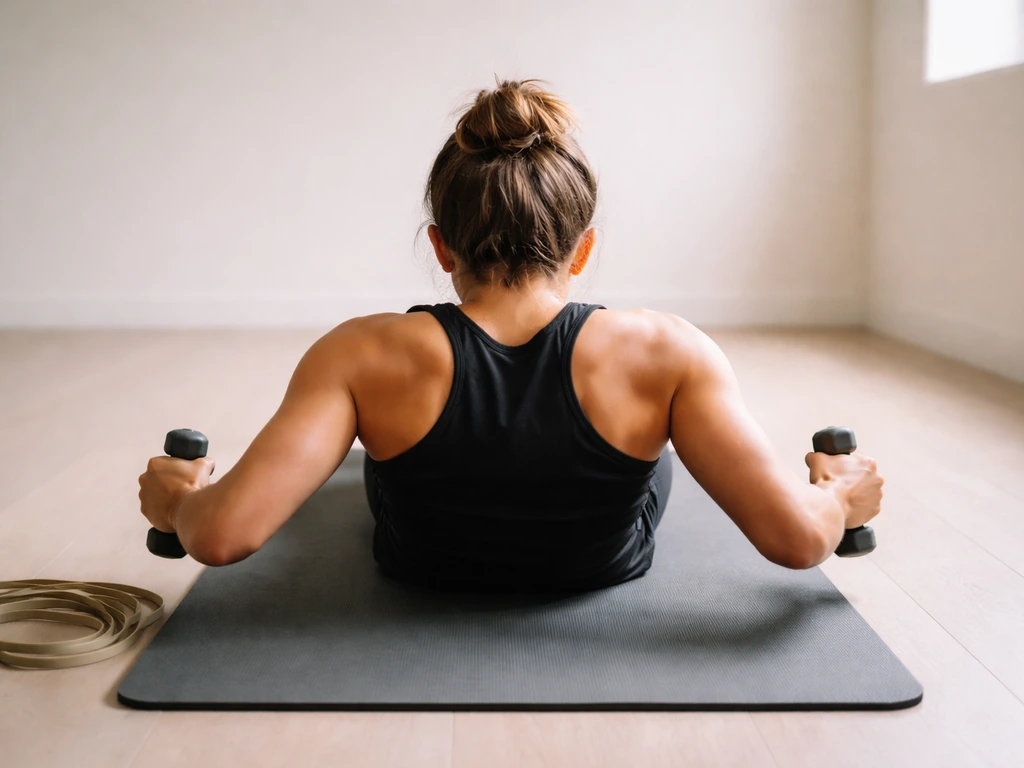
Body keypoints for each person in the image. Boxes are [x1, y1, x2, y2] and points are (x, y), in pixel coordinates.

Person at [138, 79, 883, 591]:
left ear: (441, 248)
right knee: (658, 452)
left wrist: (180, 500)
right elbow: (798, 541)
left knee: (375, 462)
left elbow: (221, 536)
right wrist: (838, 495)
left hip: (421, 569)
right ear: (582, 250)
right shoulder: (667, 352)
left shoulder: (359, 352)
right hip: (600, 567)